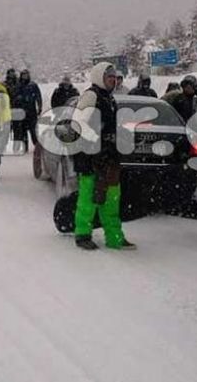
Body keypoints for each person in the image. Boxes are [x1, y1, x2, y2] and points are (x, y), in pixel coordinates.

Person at [71, 62, 136, 251]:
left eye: (115, 78)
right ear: (100, 77)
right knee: (89, 198)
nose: (113, 81)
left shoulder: (110, 99)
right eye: (109, 77)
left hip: (109, 156)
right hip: (90, 156)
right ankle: (82, 234)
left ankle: (115, 237)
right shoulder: (91, 95)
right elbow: (77, 124)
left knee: (112, 198)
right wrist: (95, 141)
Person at [14, 69, 42, 153]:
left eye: (26, 75)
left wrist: (40, 107)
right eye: (23, 75)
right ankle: (25, 148)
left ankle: (37, 147)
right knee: (23, 131)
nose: (25, 76)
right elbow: (14, 98)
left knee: (33, 131)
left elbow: (38, 97)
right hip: (21, 112)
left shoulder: (33, 85)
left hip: (31, 111)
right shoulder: (18, 85)